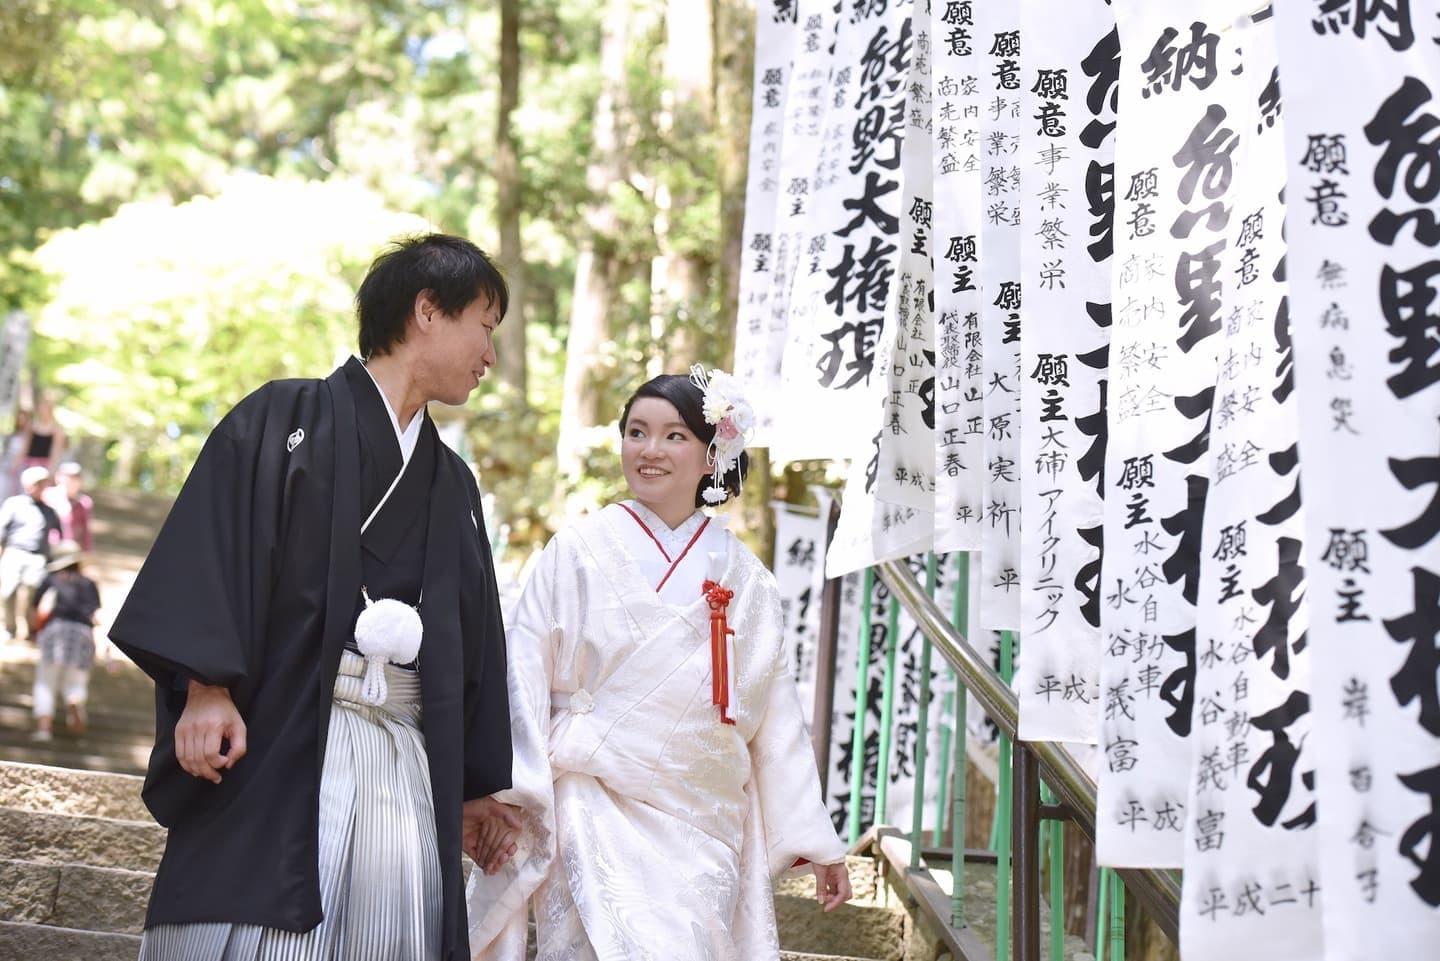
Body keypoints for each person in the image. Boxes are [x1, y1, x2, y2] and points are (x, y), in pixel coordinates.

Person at [110, 233, 520, 961]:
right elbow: (214, 550)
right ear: (428, 310)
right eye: (485, 327)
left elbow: (473, 637)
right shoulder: (281, 419)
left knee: (389, 935)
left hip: (401, 758)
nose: (490, 354)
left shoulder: (452, 481)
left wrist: (472, 785)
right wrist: (205, 688)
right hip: (276, 735)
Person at [466, 367, 851, 961]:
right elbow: (522, 673)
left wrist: (815, 841)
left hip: (701, 815)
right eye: (636, 432)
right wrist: (508, 790)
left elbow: (776, 717)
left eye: (675, 435)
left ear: (712, 454)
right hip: (589, 795)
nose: (650, 450)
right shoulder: (576, 550)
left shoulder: (746, 577)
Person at [29, 540, 101, 741]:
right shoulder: (89, 584)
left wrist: (33, 632)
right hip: (82, 634)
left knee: (46, 681)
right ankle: (74, 700)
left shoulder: (51, 580)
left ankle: (44, 729)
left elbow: (35, 609)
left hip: (56, 631)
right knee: (76, 679)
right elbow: (96, 614)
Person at [0, 465, 62, 643]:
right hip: (15, 552)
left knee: (31, 593)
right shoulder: (14, 504)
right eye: (37, 484)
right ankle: (9, 628)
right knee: (8, 591)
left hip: (38, 557)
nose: (41, 487)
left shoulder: (49, 511)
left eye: (43, 484)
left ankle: (29, 629)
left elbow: (59, 536)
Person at [43, 461, 94, 551]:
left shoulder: (84, 502)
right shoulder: (47, 495)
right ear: (58, 477)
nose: (71, 481)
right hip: (47, 546)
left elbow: (86, 531)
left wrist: (87, 551)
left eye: (76, 478)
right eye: (68, 477)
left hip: (71, 548)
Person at [21, 394, 65, 475]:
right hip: (28, 463)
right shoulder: (33, 426)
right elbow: (25, 446)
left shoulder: (56, 430)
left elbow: (56, 452)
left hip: (44, 465)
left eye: (44, 408)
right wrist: (18, 462)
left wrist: (51, 470)